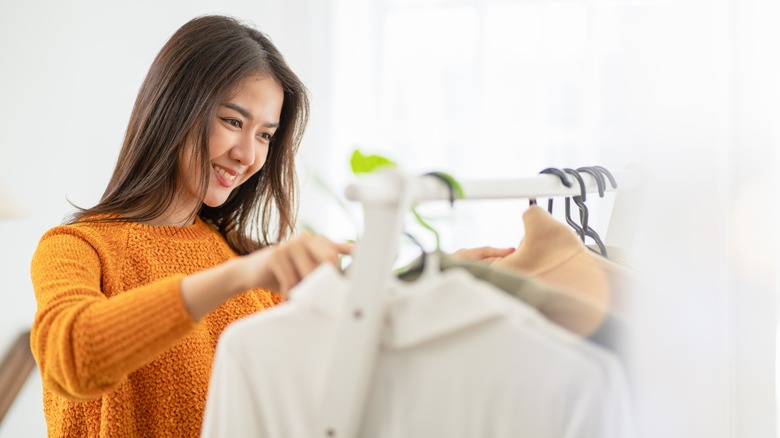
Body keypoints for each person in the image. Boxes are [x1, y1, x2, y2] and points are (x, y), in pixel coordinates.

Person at [29, 15, 352, 437]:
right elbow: (68, 356)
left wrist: (449, 271)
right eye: (233, 122)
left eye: (265, 136)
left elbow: (345, 349)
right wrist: (239, 275)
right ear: (175, 107)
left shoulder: (246, 261)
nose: (248, 156)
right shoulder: (78, 247)